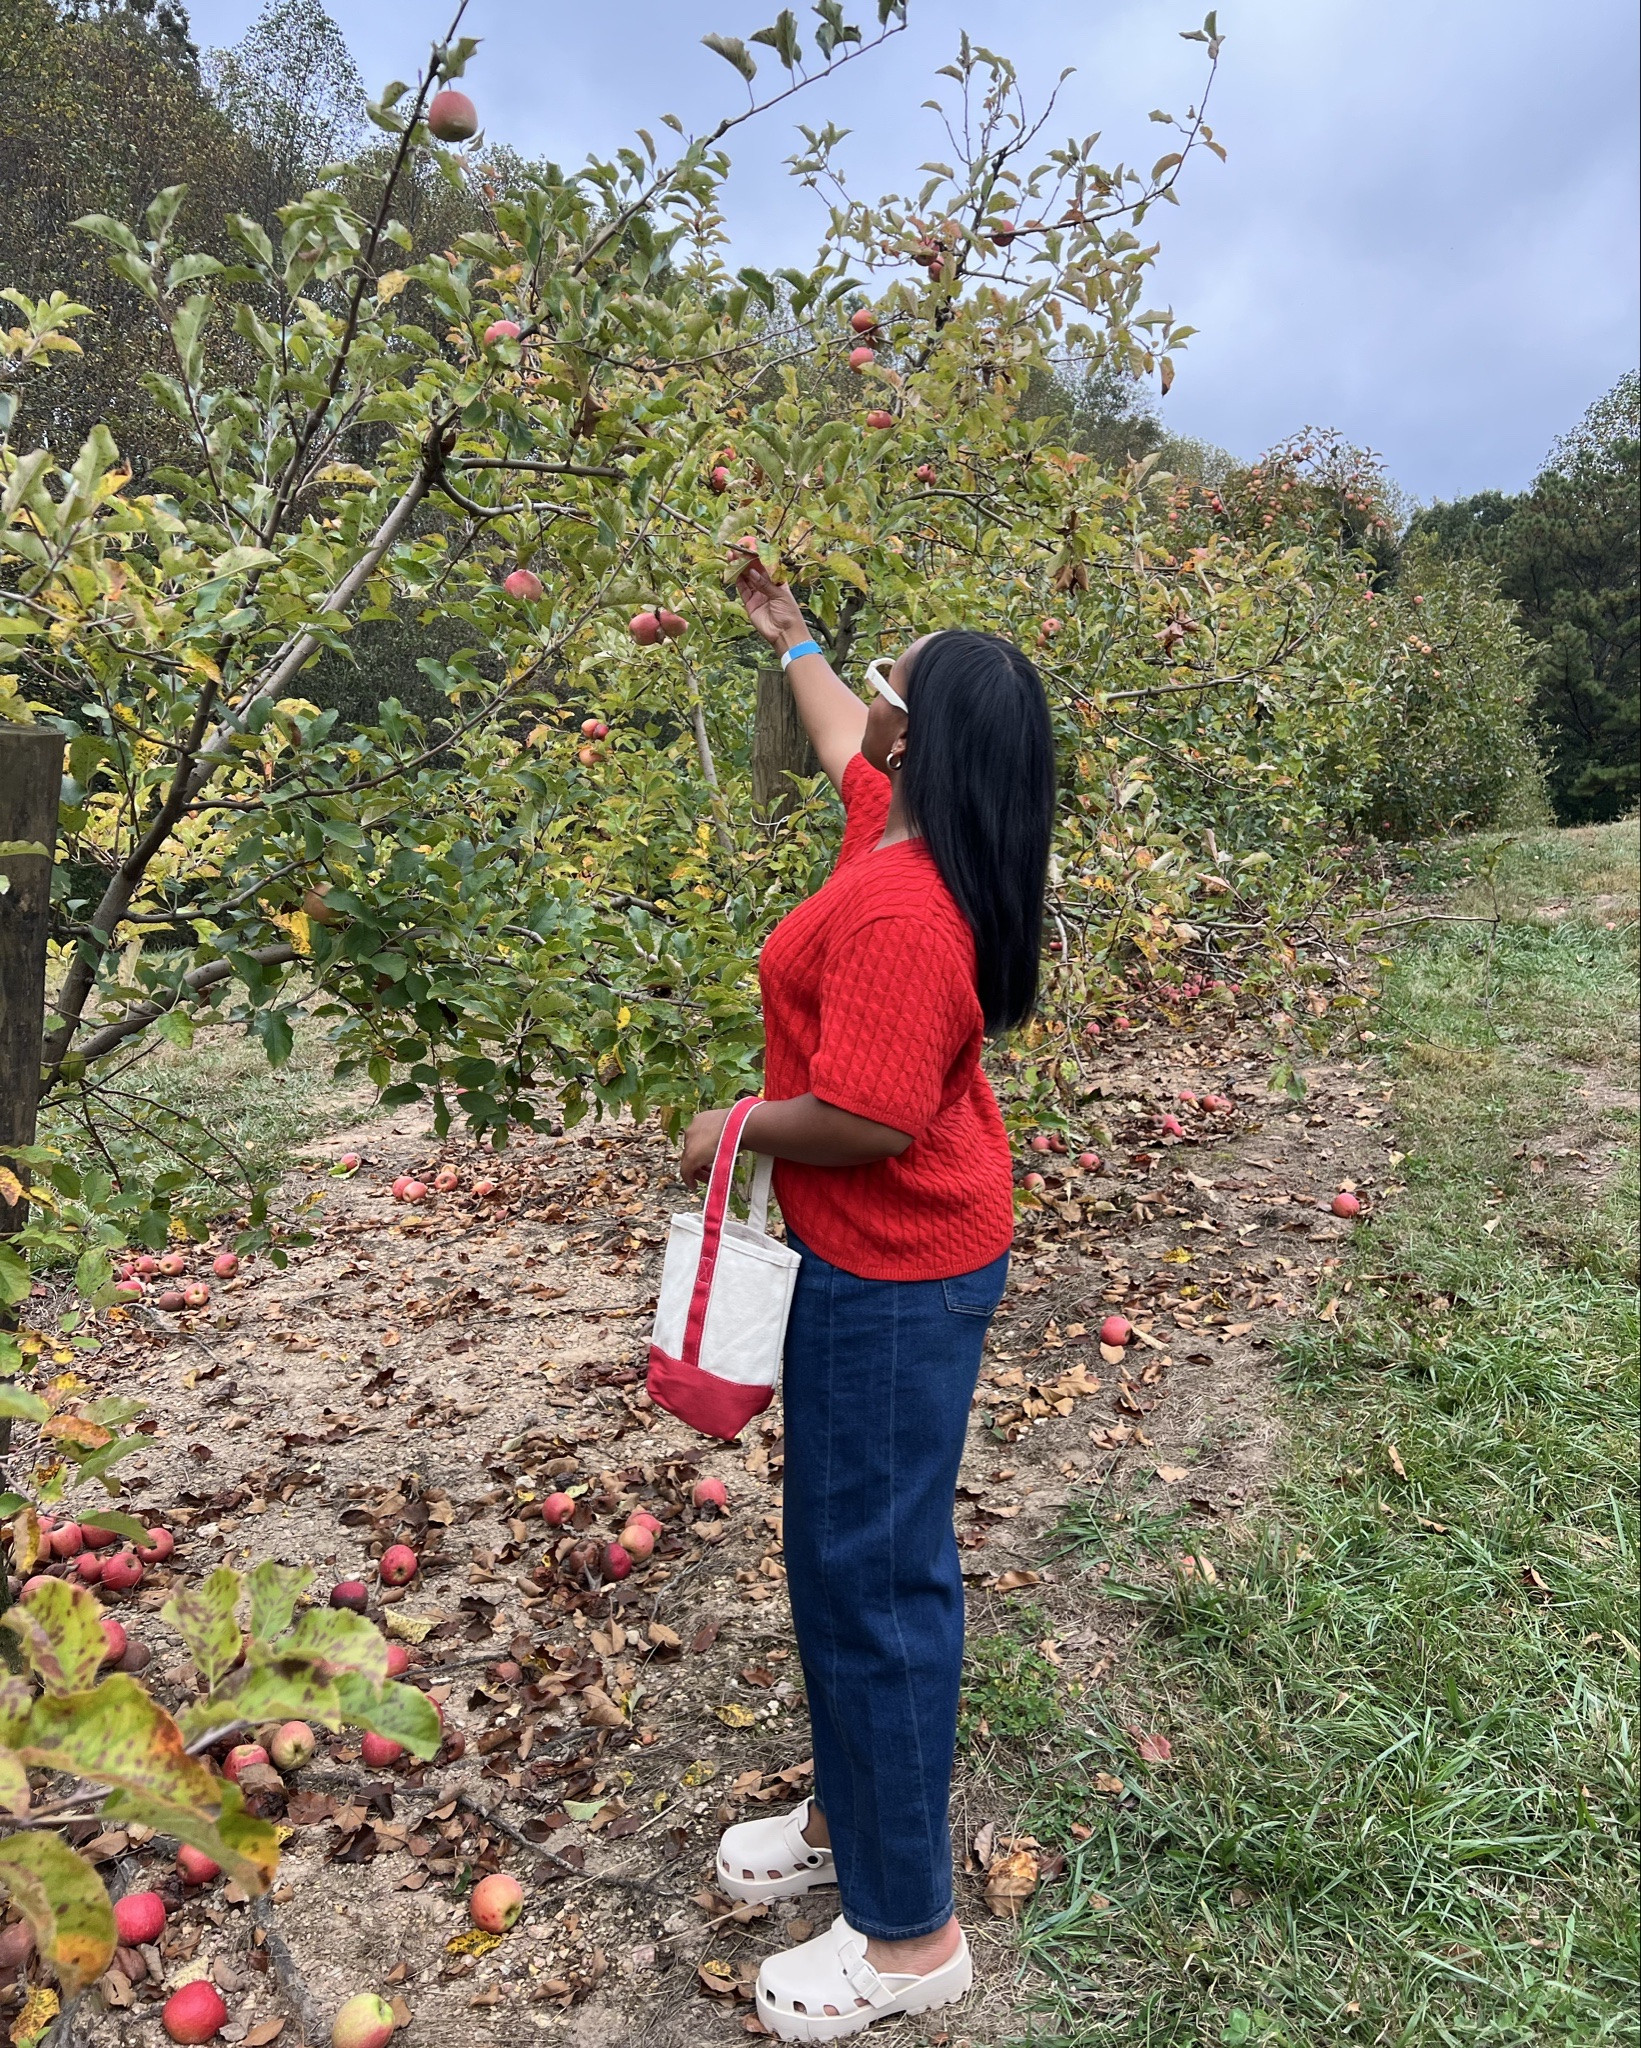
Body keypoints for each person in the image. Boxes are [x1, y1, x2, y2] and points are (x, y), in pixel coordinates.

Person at [675, 563, 1056, 2041]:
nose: (868, 697)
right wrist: (794, 640)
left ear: (929, 733)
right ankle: (852, 1816)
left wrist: (738, 1127)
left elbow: (873, 1119)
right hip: (874, 1263)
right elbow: (836, 734)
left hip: (896, 1274)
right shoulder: (889, 828)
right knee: (838, 1562)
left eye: (891, 675)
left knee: (875, 1586)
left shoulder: (906, 910)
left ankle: (908, 1939)